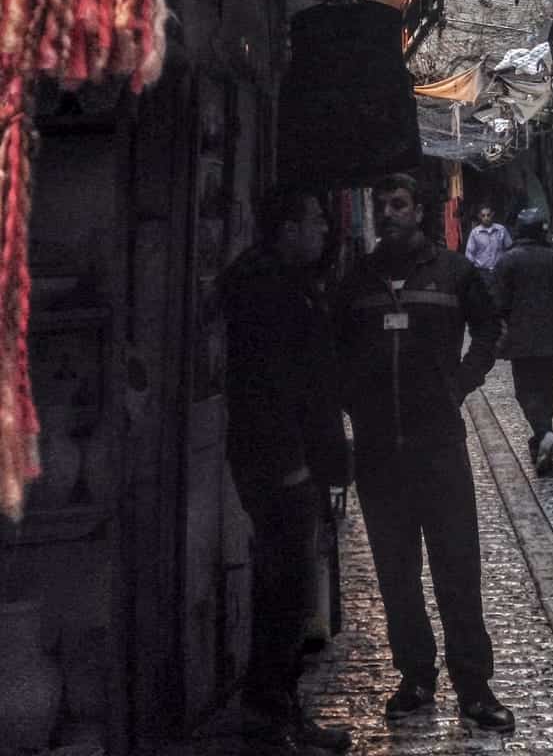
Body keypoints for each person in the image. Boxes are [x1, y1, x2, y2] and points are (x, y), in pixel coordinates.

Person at [333, 172, 514, 734]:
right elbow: (333, 346)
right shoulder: (356, 278)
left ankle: (474, 687)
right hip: (380, 451)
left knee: (456, 567)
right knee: (396, 572)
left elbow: (489, 330)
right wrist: (350, 397)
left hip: (439, 446)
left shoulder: (454, 273)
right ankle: (414, 677)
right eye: (382, 205)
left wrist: (460, 382)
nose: (389, 214)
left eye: (399, 204)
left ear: (420, 211)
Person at [221, 187, 352, 753]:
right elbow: (268, 386)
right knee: (286, 590)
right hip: (280, 464)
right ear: (287, 228)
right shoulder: (265, 286)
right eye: (315, 219)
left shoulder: (284, 280)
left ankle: (278, 710)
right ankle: (270, 716)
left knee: (292, 589)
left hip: (294, 459)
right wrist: (293, 464)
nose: (324, 229)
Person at [492, 207, 553, 474]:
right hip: (550, 338)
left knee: (525, 390)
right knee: (546, 390)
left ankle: (542, 435)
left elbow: (499, 302)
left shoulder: (508, 261)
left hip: (521, 339)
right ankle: (541, 440)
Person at [464, 203, 511, 274]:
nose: (486, 218)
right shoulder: (475, 233)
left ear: (492, 214)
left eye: (488, 215)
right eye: (483, 216)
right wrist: (474, 270)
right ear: (479, 216)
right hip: (481, 272)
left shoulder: (501, 230)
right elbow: (469, 254)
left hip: (499, 271)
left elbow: (510, 249)